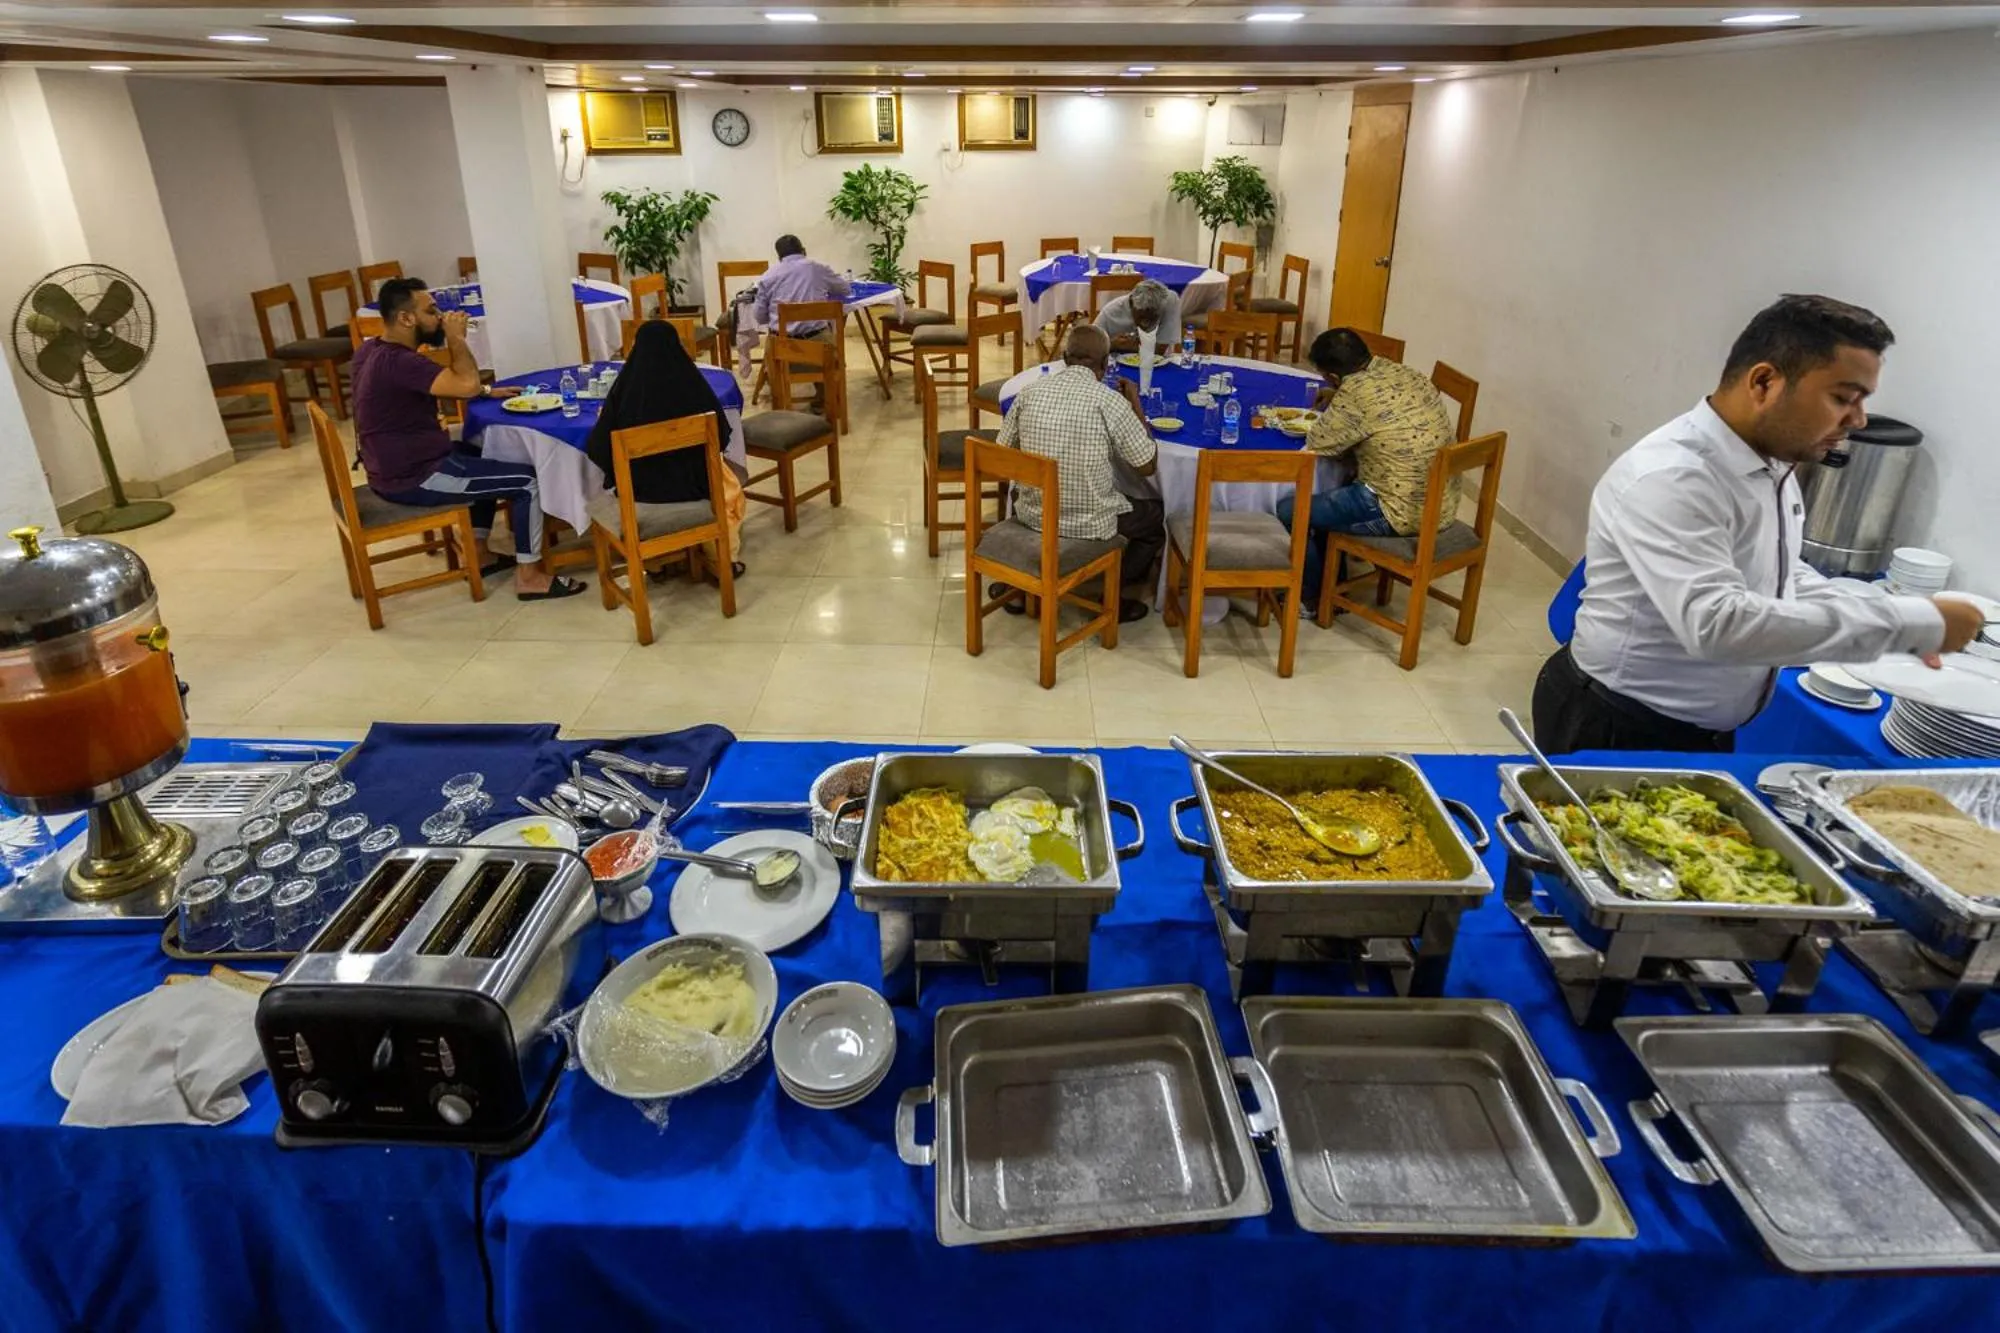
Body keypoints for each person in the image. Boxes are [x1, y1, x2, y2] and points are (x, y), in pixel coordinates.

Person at [1533, 294, 1984, 753]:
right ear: (1764, 382)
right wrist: (1906, 624)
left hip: (1697, 729)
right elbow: (1718, 625)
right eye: (1842, 398)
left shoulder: (1770, 465)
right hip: (1619, 724)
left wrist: (1881, 611)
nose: (1858, 420)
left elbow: (1778, 575)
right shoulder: (1674, 476)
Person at [351, 277, 582, 599]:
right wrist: (456, 340)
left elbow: (444, 384)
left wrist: (487, 390)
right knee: (527, 483)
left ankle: (479, 552)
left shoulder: (371, 350)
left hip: (391, 464)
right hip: (413, 475)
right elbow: (465, 385)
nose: (441, 316)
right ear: (406, 319)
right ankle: (530, 577)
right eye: (431, 311)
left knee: (482, 451)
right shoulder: (401, 361)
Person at [1276, 327, 1456, 607]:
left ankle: (1310, 598)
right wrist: (1339, 395)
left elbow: (1320, 442)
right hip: (1440, 502)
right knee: (1330, 492)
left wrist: (1341, 399)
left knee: (1289, 510)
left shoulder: (1356, 394)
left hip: (1395, 509)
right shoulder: (1405, 372)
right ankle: (1333, 582)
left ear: (1334, 377)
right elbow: (1381, 408)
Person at [995, 324, 1162, 623]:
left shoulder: (1029, 392)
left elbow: (1001, 454)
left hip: (1033, 514)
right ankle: (1113, 597)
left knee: (1026, 489)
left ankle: (1019, 582)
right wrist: (1134, 402)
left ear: (1064, 356)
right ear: (1106, 363)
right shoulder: (1110, 402)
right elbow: (1147, 465)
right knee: (1154, 519)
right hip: (1091, 522)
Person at [585, 320, 747, 576]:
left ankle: (658, 561)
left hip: (641, 492)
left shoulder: (626, 390)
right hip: (696, 487)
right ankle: (721, 561)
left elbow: (599, 448)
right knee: (729, 485)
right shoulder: (693, 384)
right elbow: (722, 437)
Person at [752, 234, 851, 413]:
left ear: (779, 256)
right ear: (803, 250)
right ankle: (826, 402)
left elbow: (760, 317)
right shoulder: (818, 268)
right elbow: (845, 289)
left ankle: (781, 405)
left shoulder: (767, 277)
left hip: (782, 353)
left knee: (770, 345)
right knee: (829, 343)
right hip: (819, 350)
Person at [1094, 278, 1183, 356]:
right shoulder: (1110, 312)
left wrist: (1124, 346)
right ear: (1131, 304)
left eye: (1153, 318)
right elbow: (1090, 346)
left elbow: (1159, 350)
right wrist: (1113, 344)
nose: (1146, 324)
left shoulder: (1170, 301)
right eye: (1142, 317)